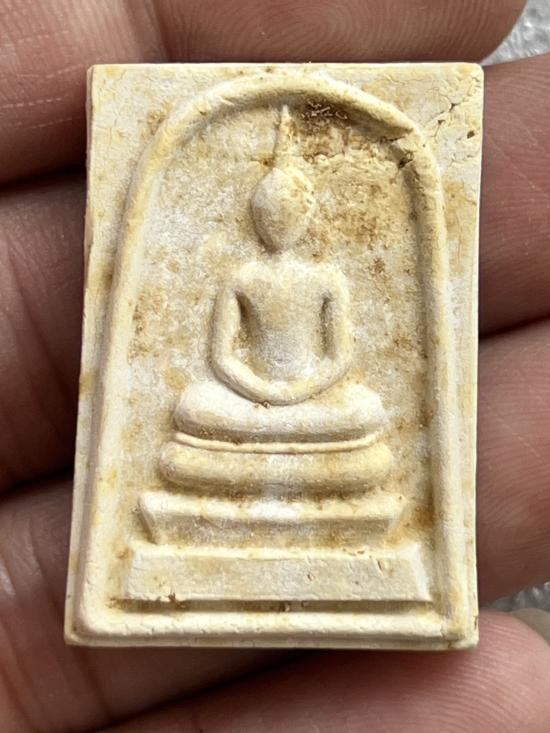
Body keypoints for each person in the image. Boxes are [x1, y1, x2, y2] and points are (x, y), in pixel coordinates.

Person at [0, 1, 549, 731]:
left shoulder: (326, 278)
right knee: (194, 407)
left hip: (317, 402)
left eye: (292, 213)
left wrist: (304, 388)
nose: (282, 222)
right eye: (271, 212)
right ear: (259, 217)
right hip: (244, 399)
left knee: (364, 413)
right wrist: (256, 388)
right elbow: (220, 354)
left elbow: (341, 355)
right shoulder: (241, 276)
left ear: (307, 218)